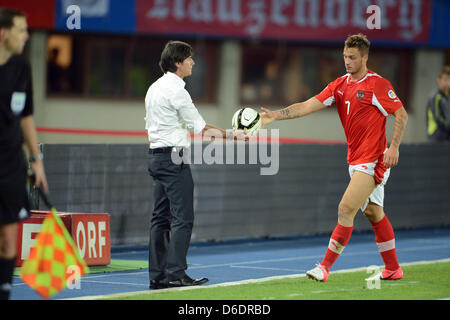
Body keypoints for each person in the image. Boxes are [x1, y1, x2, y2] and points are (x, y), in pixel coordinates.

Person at [261, 34, 408, 282]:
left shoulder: (378, 85)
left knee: (345, 209)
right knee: (373, 213)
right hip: (355, 159)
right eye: (345, 57)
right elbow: (307, 106)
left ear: (364, 57)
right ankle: (393, 268)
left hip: (374, 160)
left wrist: (394, 147)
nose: (347, 61)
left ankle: (324, 267)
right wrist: (275, 115)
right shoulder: (339, 85)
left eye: (352, 57)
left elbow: (401, 114)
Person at [145, 40, 242, 289]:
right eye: (189, 58)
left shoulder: (154, 88)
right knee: (182, 218)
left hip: (155, 156)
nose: (193, 62)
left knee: (159, 219)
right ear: (178, 63)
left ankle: (158, 276)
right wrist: (233, 135)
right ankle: (176, 273)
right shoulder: (178, 90)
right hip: (173, 159)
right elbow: (201, 128)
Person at [0, 8, 48, 300]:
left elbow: (26, 117)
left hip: (10, 166)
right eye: (21, 30)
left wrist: (36, 160)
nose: (26, 35)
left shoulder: (22, 67)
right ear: (3, 33)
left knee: (8, 240)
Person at [426, 65, 450, 142]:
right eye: (445, 79)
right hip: (436, 136)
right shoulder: (435, 97)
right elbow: (437, 118)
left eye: (449, 80)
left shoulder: (448, 97)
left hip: (446, 135)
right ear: (439, 80)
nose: (447, 82)